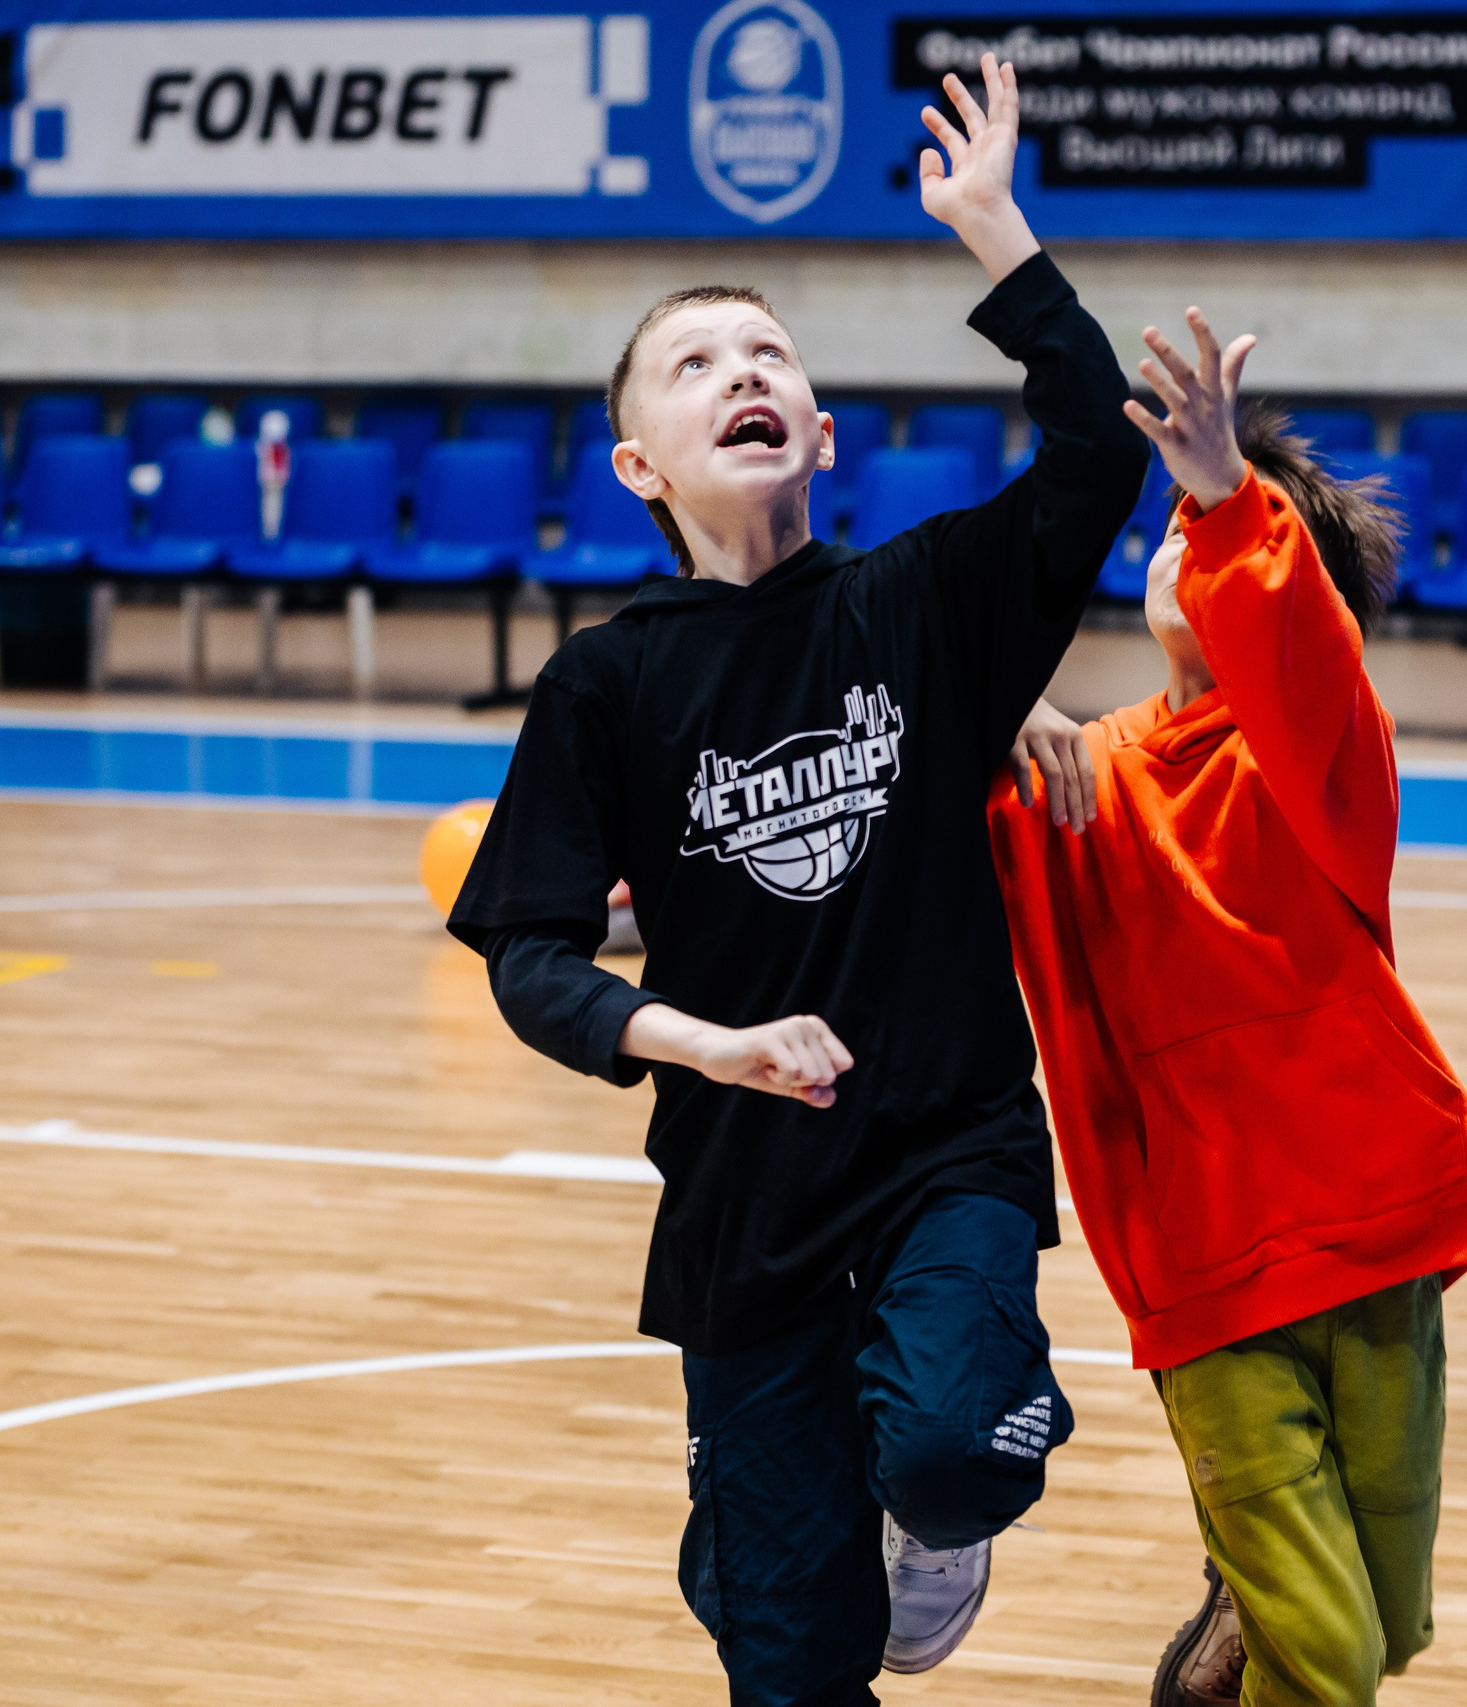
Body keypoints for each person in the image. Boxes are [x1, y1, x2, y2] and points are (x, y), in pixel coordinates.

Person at [446, 56, 1148, 1704]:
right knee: (788, 1654)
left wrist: (996, 235)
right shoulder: (604, 686)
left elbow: (1090, 463)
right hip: (743, 1182)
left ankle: (929, 1522)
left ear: (821, 431)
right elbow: (531, 956)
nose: (739, 370)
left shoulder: (922, 607)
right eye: (693, 364)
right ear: (639, 464)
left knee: (960, 1446)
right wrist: (698, 1040)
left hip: (942, 1139)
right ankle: (770, 1544)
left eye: (769, 354)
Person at [989, 319, 1467, 1707]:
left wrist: (1237, 492)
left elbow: (1293, 640)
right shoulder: (1073, 775)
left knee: (1386, 1616)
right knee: (1333, 1650)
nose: (1186, 538)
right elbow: (895, 844)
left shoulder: (1327, 755)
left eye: (1215, 527)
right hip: (1204, 1257)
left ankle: (1242, 1593)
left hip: (1378, 1224)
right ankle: (1258, 1602)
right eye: (1174, 524)